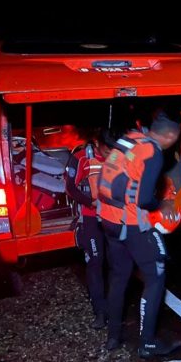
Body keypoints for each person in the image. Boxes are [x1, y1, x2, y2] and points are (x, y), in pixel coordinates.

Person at [97, 113, 181, 358]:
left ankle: (113, 335)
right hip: (132, 223)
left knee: (119, 275)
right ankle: (148, 343)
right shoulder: (153, 152)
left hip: (109, 220)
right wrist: (162, 205)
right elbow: (144, 199)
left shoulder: (128, 140)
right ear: (170, 136)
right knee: (156, 275)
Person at [65, 129, 115, 329]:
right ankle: (100, 312)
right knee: (95, 262)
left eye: (114, 149)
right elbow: (70, 187)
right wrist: (90, 202)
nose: (111, 153)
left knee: (116, 263)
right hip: (91, 217)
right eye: (107, 149)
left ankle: (115, 307)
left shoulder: (122, 156)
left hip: (114, 218)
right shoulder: (80, 158)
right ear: (97, 144)